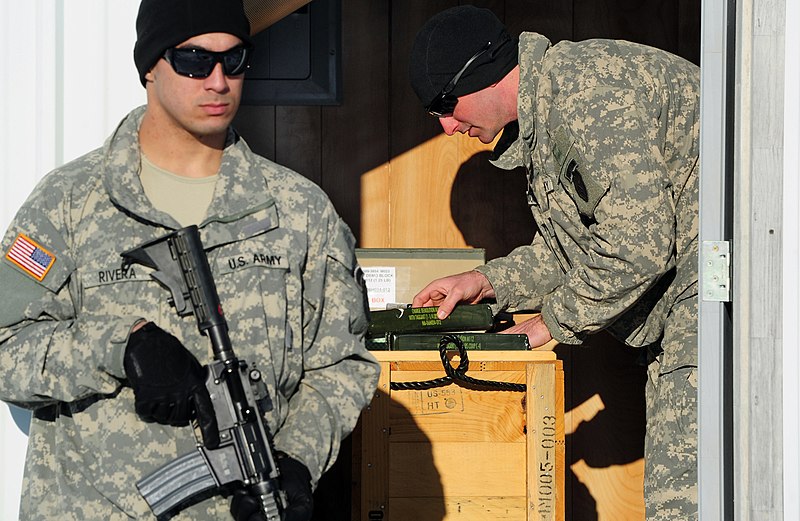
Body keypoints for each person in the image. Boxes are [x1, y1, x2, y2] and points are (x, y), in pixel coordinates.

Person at [0, 0, 380, 519]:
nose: (218, 81)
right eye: (194, 60)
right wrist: (120, 348)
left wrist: (296, 461)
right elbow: (5, 347)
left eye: (234, 60)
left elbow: (339, 365)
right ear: (150, 67)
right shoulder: (69, 202)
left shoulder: (299, 211)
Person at [409, 6, 699, 520]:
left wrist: (549, 324)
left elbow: (638, 245)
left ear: (482, 73)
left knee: (684, 501)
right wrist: (484, 281)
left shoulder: (587, 93)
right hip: (690, 306)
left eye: (445, 105)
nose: (449, 127)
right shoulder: (550, 109)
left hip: (721, 299)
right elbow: (574, 250)